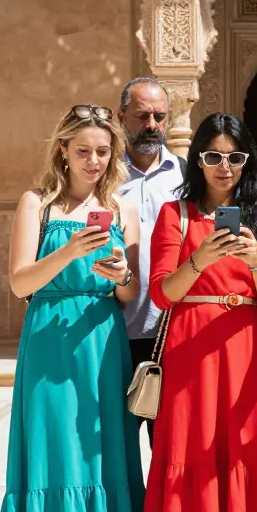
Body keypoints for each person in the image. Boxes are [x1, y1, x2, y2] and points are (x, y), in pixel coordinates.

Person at [0, 104, 145, 512]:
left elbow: (130, 294)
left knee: (99, 444)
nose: (93, 161)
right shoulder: (37, 204)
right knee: (53, 443)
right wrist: (69, 251)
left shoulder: (123, 209)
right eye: (83, 151)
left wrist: (122, 275)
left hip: (102, 341)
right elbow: (20, 283)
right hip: (49, 339)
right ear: (62, 150)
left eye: (103, 151)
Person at [141, 112, 257, 512]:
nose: (225, 167)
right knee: (190, 445)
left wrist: (256, 261)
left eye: (235, 157)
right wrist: (200, 259)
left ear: (247, 162)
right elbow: (162, 294)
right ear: (198, 161)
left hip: (245, 347)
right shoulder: (175, 214)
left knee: (244, 445)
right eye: (213, 156)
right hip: (190, 346)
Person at [117, 77, 186, 442]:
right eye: (142, 115)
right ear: (121, 117)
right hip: (115, 334)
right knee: (116, 446)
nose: (152, 125)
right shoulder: (105, 177)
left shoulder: (186, 176)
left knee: (170, 444)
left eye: (160, 116)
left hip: (171, 333)